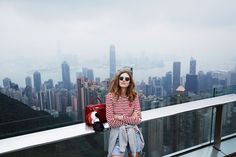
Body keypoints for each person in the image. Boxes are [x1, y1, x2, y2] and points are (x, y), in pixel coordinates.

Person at [106, 69, 144, 157]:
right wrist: (131, 119)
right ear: (118, 80)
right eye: (121, 78)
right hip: (118, 135)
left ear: (130, 82)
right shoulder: (110, 97)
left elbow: (138, 120)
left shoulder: (134, 96)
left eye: (127, 79)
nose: (124, 80)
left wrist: (120, 117)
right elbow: (111, 122)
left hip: (133, 134)